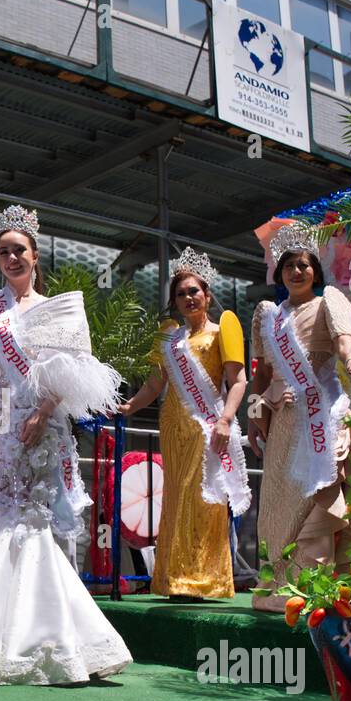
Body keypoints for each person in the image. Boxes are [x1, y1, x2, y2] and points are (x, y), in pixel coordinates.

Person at [0, 204, 132, 684]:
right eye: (3, 252)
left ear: (35, 256)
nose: (11, 258)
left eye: (19, 250)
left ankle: (39, 637)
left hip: (35, 427)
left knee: (27, 521)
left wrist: (42, 413)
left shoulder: (54, 309)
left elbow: (71, 369)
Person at [117, 248, 249, 599]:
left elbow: (239, 381)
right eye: (181, 294)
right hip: (174, 426)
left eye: (194, 291)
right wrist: (131, 405)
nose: (188, 298)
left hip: (208, 427)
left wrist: (225, 420)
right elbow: (154, 384)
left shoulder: (225, 330)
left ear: (207, 294)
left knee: (205, 500)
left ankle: (206, 580)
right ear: (175, 301)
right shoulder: (169, 338)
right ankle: (175, 578)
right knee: (176, 498)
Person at [247, 223, 351, 612]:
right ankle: (278, 585)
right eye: (289, 266)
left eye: (304, 265)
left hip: (320, 415)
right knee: (278, 502)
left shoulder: (328, 301)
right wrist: (252, 412)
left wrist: (350, 357)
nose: (297, 271)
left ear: (315, 270)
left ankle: (312, 586)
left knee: (316, 495)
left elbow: (345, 341)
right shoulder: (267, 316)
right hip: (282, 421)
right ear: (279, 274)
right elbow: (260, 373)